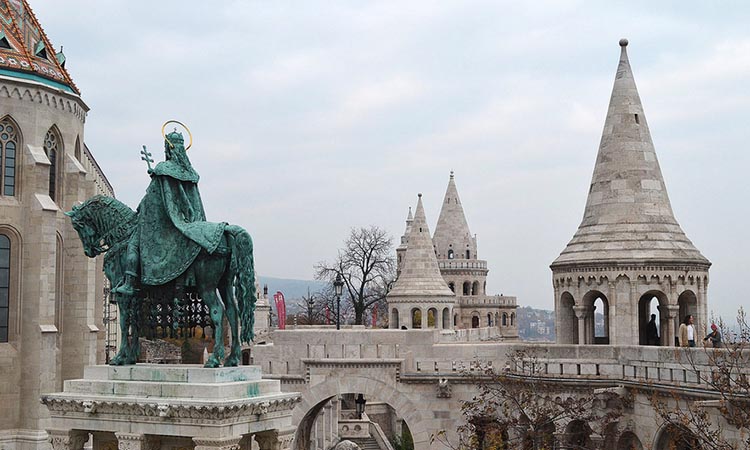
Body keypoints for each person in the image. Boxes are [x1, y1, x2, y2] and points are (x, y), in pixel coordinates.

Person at [112, 130, 225, 296]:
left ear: (168, 148)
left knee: (133, 244)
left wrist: (142, 205)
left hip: (166, 221)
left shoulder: (163, 169)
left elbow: (152, 200)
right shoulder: (191, 173)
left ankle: (129, 283)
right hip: (190, 220)